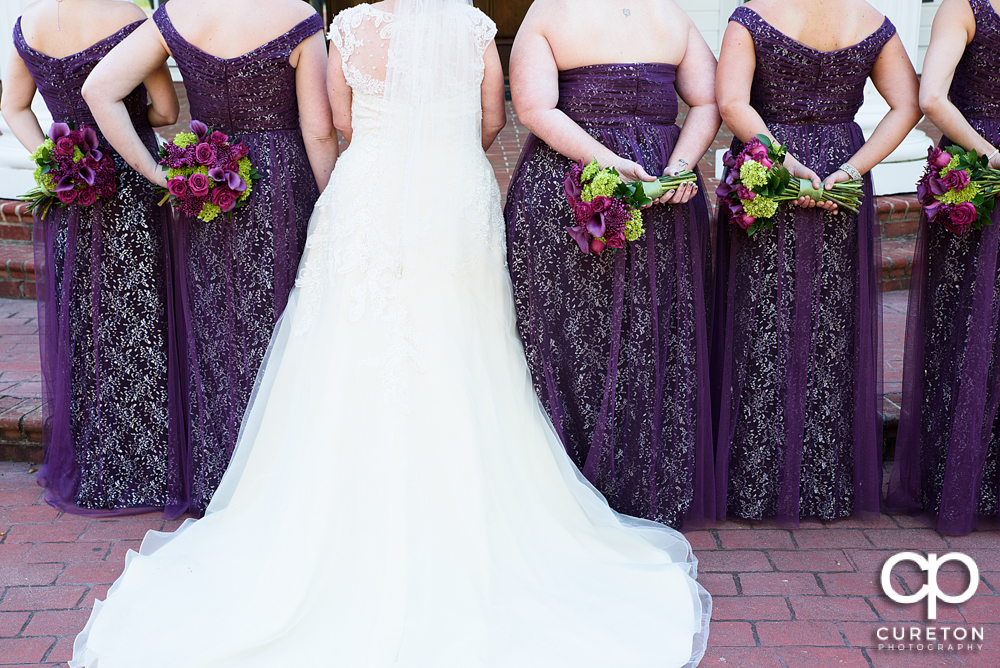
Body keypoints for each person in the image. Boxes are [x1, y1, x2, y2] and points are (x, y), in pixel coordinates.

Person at [69, 2, 711, 665]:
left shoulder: (348, 31)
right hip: (452, 193)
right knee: (466, 346)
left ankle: (332, 528)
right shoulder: (474, 32)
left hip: (368, 193)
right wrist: (445, 153)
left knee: (346, 352)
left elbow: (340, 124)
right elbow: (493, 120)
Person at [83, 0, 337, 516]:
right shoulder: (298, 16)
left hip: (209, 195)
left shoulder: (177, 13)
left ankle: (223, 478)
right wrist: (336, 206)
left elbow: (98, 89)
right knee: (287, 329)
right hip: (281, 189)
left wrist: (160, 172)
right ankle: (286, 483)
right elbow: (318, 131)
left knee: (218, 331)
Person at [504, 0, 721, 529]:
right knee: (650, 329)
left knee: (568, 331)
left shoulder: (547, 13)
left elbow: (534, 109)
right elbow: (708, 101)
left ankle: (571, 477)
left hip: (572, 183)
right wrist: (674, 169)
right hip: (656, 189)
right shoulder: (673, 16)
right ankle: (644, 477)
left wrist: (608, 163)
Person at [712, 0, 921, 525]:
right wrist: (853, 168)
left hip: (772, 169)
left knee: (764, 317)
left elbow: (733, 104)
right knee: (831, 318)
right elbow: (906, 106)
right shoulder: (872, 20)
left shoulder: (751, 17)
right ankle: (825, 479)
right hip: (842, 165)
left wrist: (786, 166)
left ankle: (756, 479)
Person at [1, 0, 185, 516]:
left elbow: (13, 106)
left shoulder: (28, 23)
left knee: (84, 319)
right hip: (129, 182)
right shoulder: (131, 16)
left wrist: (54, 160)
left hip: (71, 193)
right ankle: (148, 461)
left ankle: (95, 455)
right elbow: (168, 111)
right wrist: (135, 120)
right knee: (141, 316)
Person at [886, 0, 1000, 535]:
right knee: (969, 320)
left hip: (980, 165)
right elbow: (929, 97)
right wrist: (991, 155)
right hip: (976, 181)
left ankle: (968, 479)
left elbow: (932, 97)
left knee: (972, 325)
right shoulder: (963, 7)